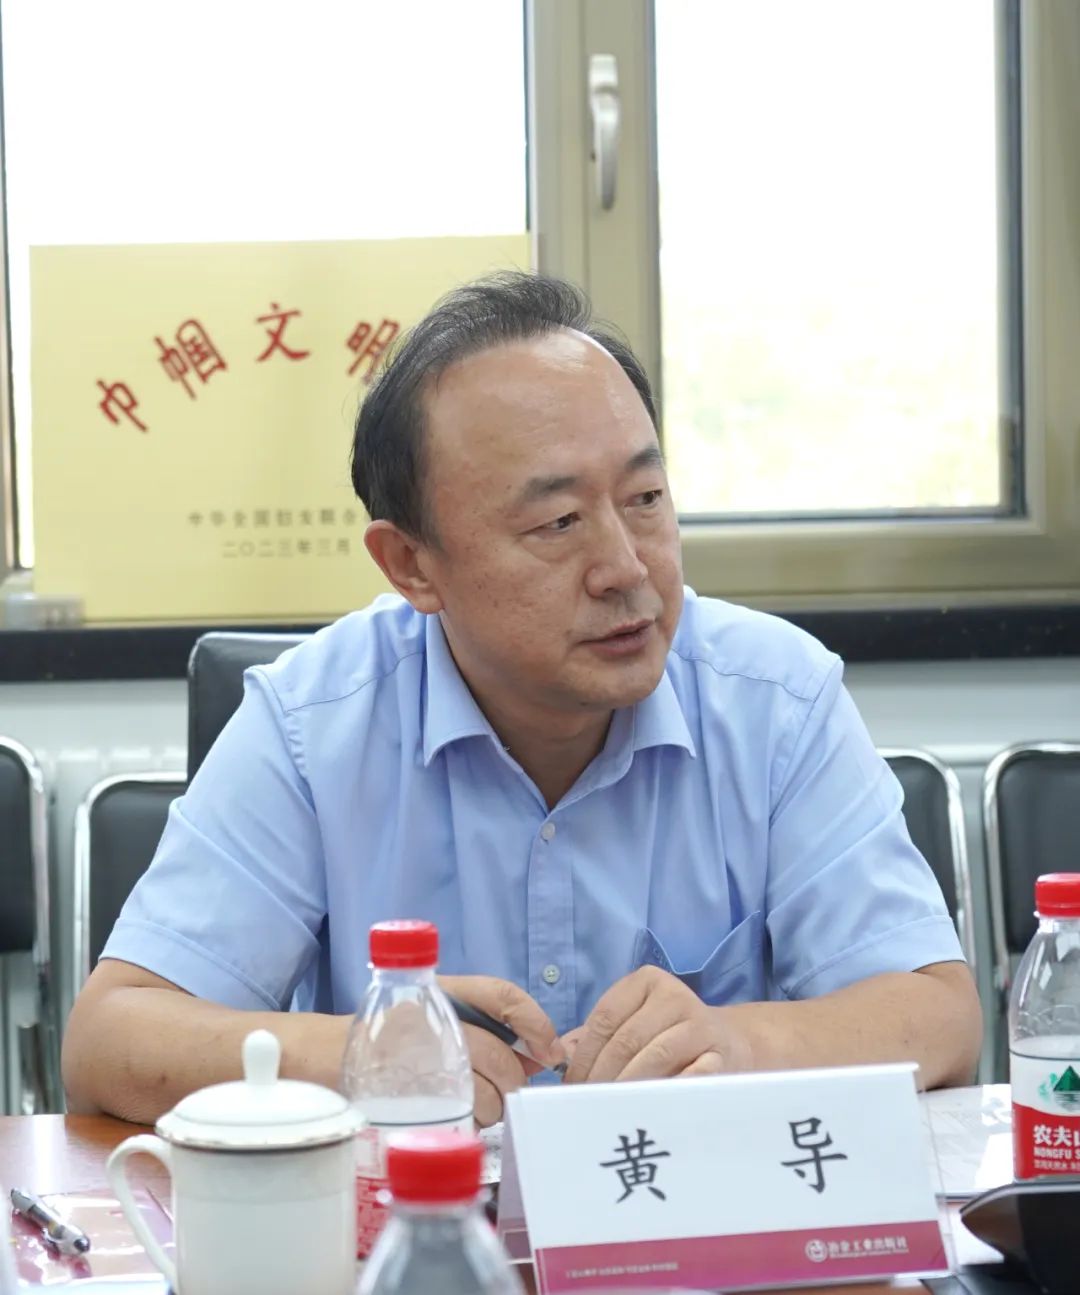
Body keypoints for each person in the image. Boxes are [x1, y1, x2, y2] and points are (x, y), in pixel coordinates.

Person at [62, 273, 982, 1126]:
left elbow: (936, 1011)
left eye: (646, 497)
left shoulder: (774, 700)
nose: (626, 568)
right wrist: (367, 1051)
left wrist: (741, 1046)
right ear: (412, 564)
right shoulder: (312, 726)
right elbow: (112, 1038)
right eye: (558, 522)